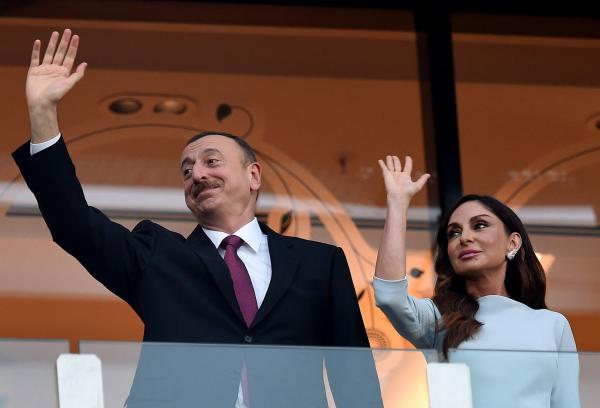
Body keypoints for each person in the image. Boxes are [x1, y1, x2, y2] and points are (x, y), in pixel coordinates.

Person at [13, 29, 382, 407]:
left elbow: (355, 379)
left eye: (211, 161)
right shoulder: (157, 256)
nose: (198, 174)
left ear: (253, 176)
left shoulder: (319, 264)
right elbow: (75, 225)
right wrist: (42, 114)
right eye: (187, 170)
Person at [373, 155, 580, 408]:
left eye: (480, 225)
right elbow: (389, 296)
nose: (464, 238)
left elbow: (567, 403)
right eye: (454, 232)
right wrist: (397, 202)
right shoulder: (440, 319)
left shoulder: (552, 324)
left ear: (512, 243)